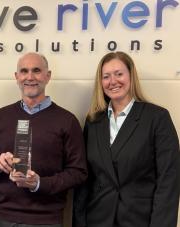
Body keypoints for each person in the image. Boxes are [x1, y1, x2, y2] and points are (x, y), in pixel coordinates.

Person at [0, 52, 87, 227]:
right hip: (5, 218)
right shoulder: (0, 117)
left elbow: (78, 173)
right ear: (16, 77)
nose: (30, 77)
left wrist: (39, 183)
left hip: (46, 219)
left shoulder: (67, 120)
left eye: (36, 70)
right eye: (24, 71)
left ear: (48, 76)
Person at [72, 51, 180, 227]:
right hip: (98, 219)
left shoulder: (157, 118)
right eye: (106, 76)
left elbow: (168, 181)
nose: (113, 81)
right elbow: (85, 181)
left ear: (131, 76)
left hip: (140, 220)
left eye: (119, 74)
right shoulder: (93, 122)